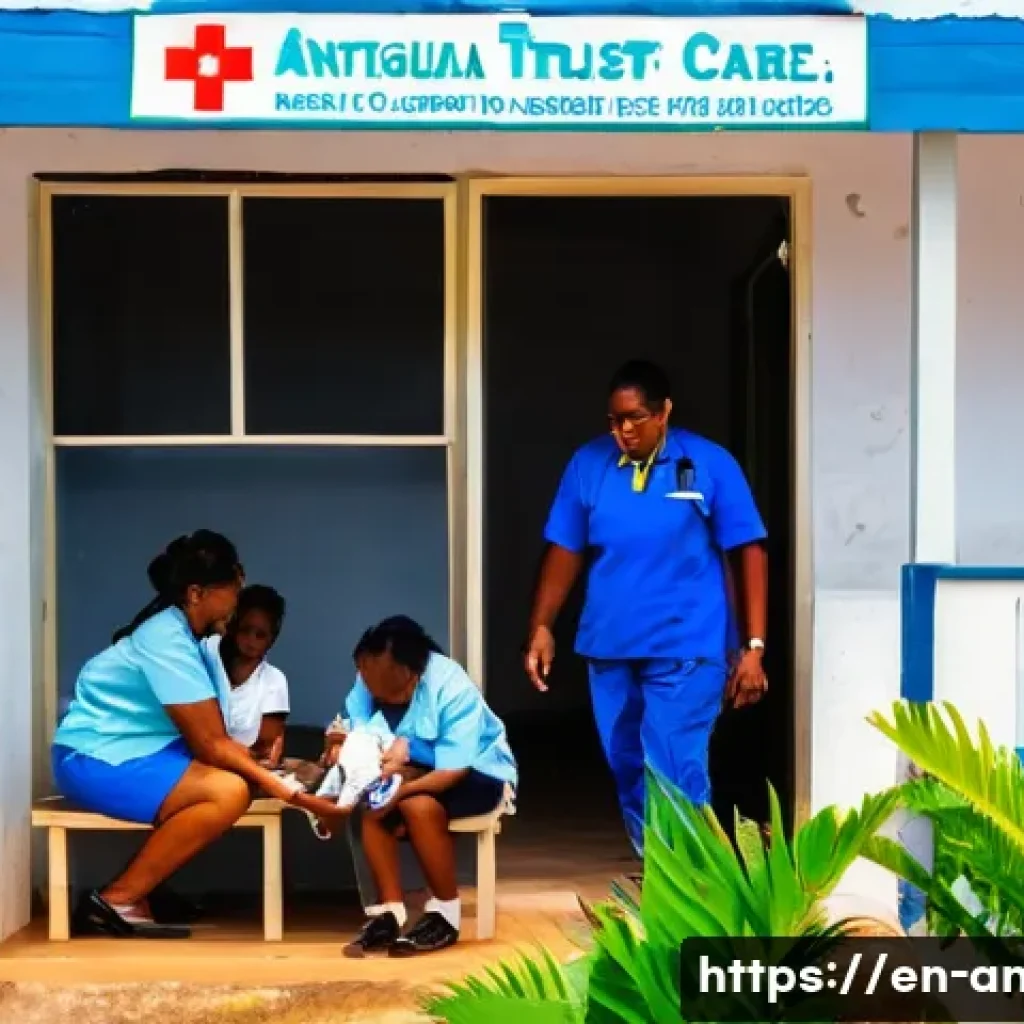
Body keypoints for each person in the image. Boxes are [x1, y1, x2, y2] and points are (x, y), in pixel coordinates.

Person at [523, 359, 768, 857]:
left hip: (688, 644)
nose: (623, 430)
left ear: (664, 412)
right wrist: (542, 625)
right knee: (627, 762)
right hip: (611, 645)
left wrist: (754, 646)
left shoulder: (709, 463)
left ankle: (693, 879)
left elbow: (748, 550)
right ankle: (658, 869)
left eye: (634, 418)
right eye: (614, 420)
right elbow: (565, 548)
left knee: (674, 763)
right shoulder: (587, 465)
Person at [51, 530, 347, 938]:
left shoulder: (189, 638)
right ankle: (115, 900)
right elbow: (209, 743)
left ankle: (143, 890)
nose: (237, 603)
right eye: (233, 590)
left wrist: (272, 775)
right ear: (196, 593)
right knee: (227, 791)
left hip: (139, 751)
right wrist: (291, 794)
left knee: (241, 779)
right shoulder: (165, 639)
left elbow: (215, 740)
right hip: (94, 757)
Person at [338, 616, 517, 958]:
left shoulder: (451, 686)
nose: (382, 697)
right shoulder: (368, 676)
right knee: (373, 798)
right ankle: (389, 912)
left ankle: (445, 913)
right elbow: (358, 728)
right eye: (370, 683)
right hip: (413, 768)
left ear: (412, 672)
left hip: (477, 773)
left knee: (414, 804)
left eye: (392, 691)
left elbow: (453, 771)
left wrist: (399, 791)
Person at [203, 584, 291, 767]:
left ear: (272, 639)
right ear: (234, 626)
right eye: (245, 630)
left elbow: (266, 747)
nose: (251, 640)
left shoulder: (274, 681)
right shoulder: (207, 656)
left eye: (260, 635)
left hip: (246, 766)